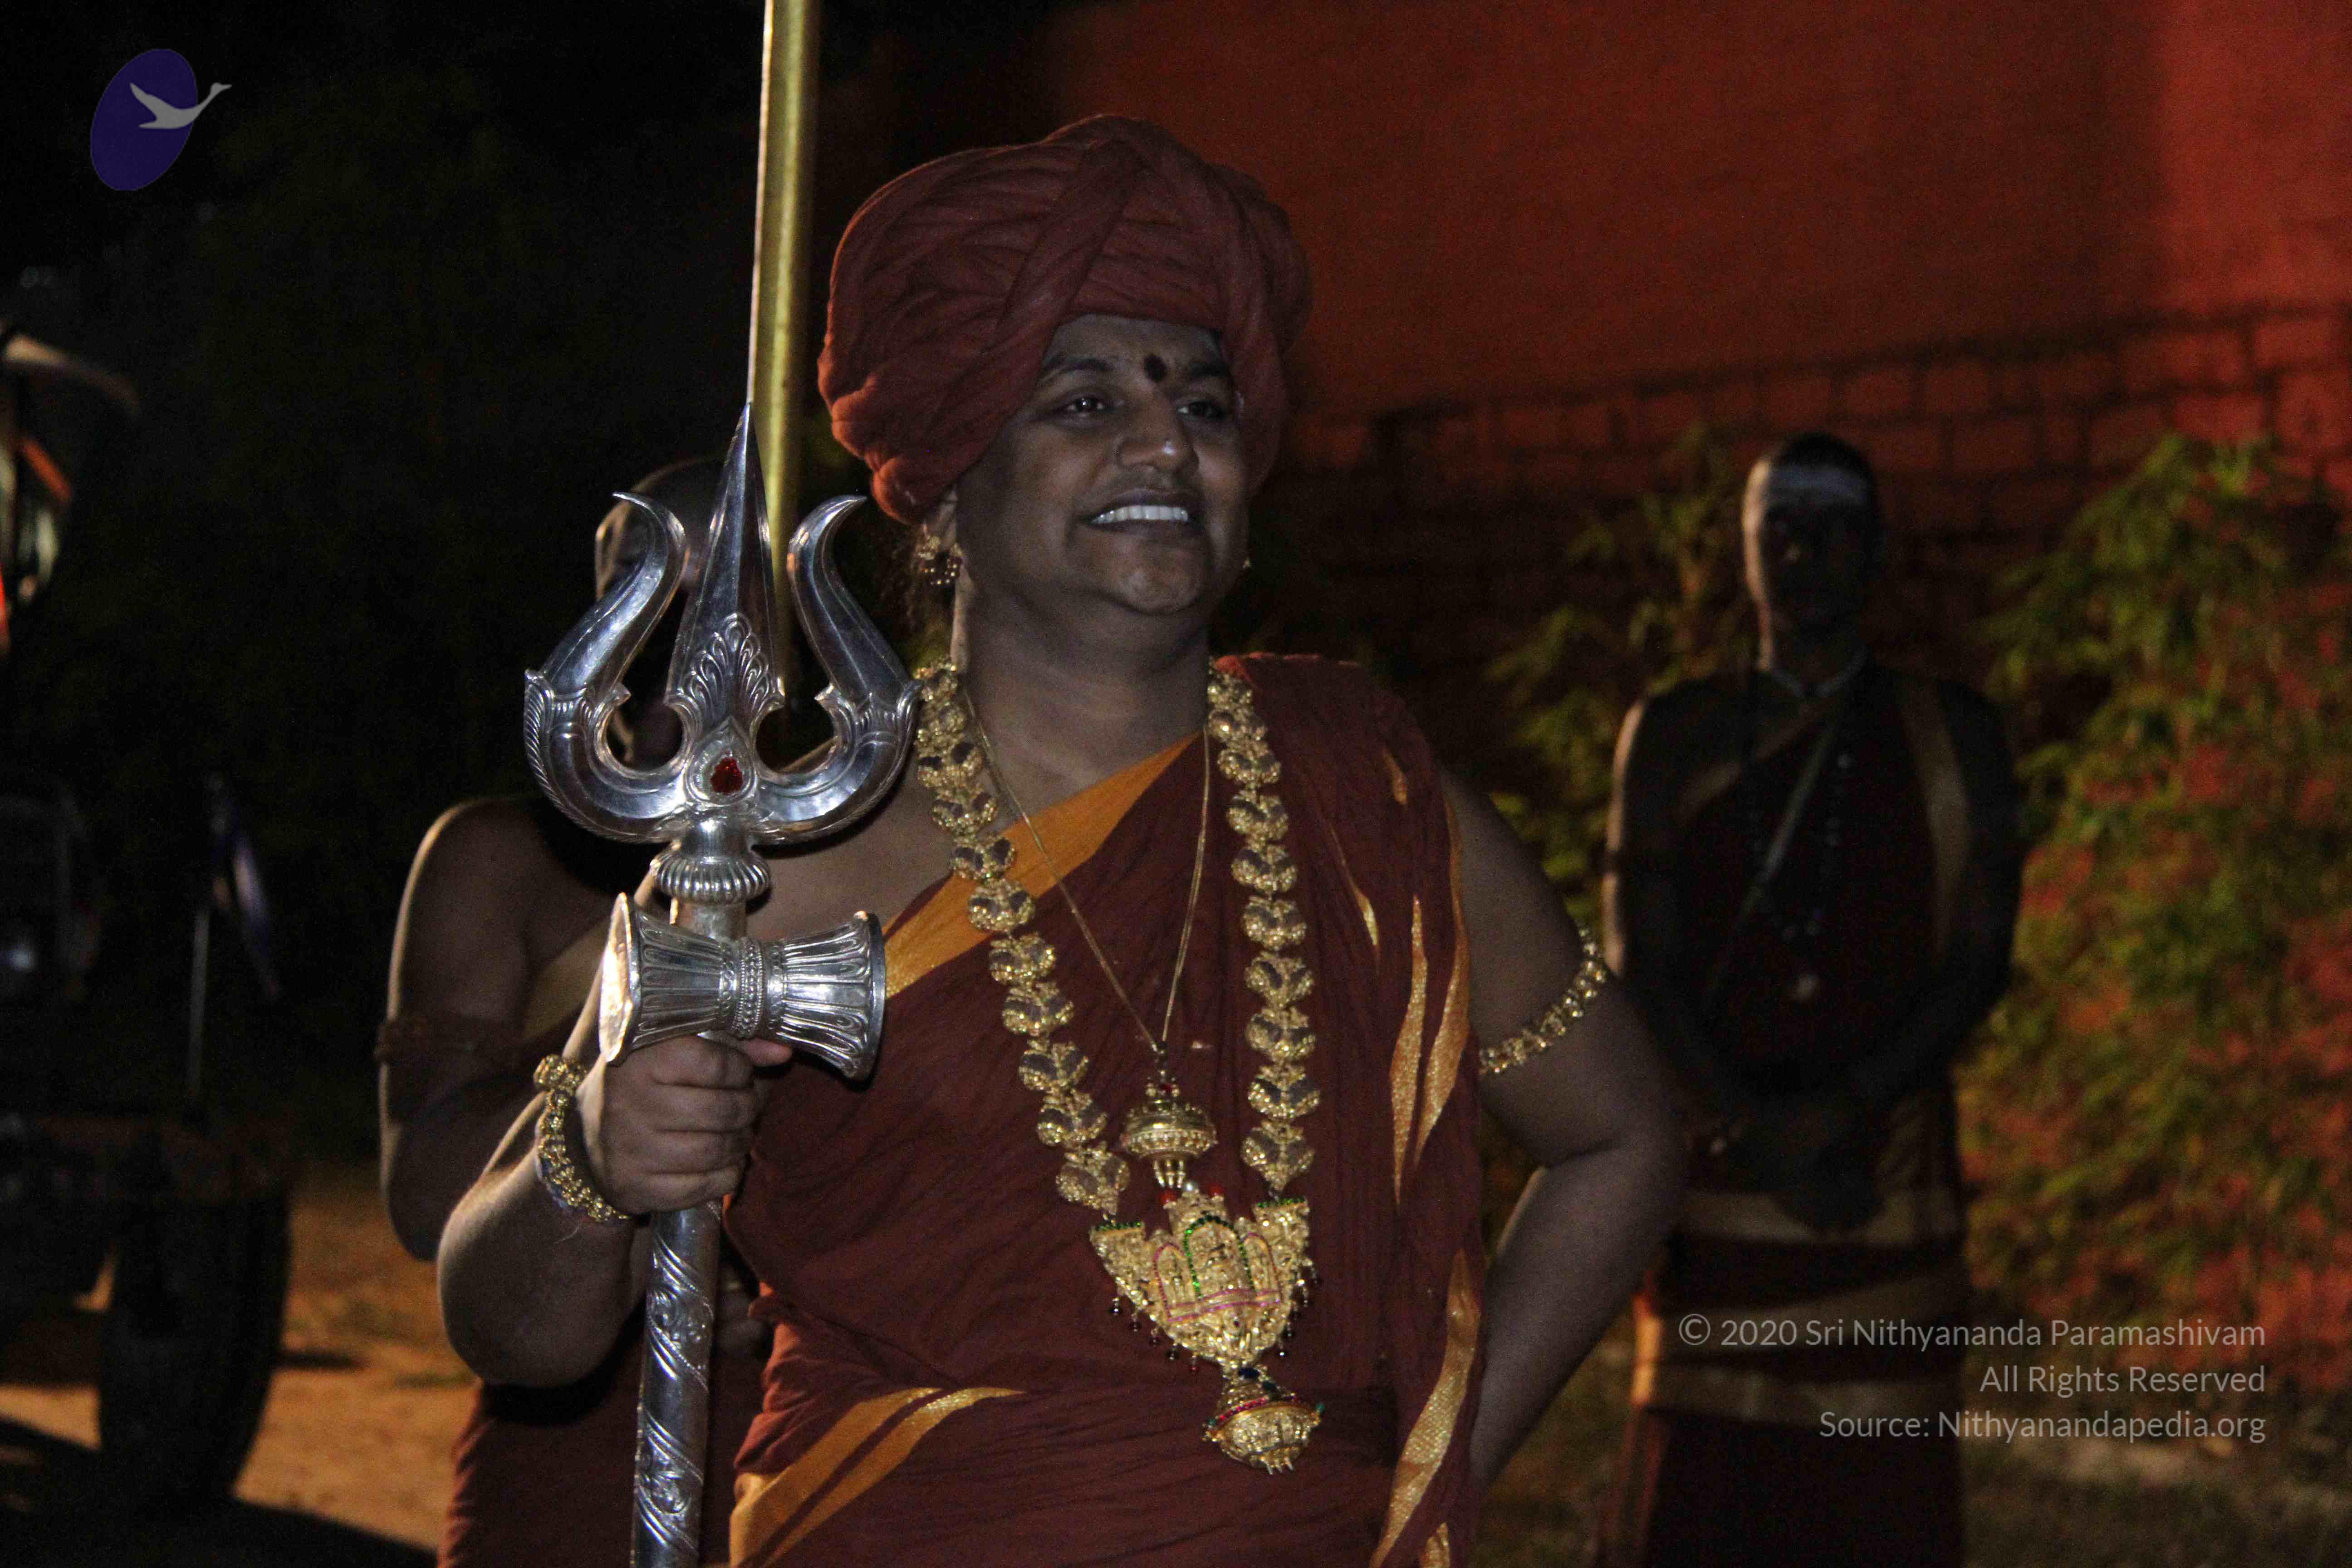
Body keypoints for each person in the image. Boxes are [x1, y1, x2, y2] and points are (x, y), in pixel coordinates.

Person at [436, 116, 1684, 1566]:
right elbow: (507, 1325)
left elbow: (1624, 1137)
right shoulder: (781, 856)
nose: (1165, 443)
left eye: (1205, 405)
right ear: (945, 491)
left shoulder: (1374, 801)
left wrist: (1430, 1467)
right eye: (1084, 404)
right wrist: (599, 1152)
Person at [1597, 433, 2023, 1567]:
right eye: (1778, 528)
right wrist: (1755, 1129)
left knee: (1873, 1498)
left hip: (1882, 1182)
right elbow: (1642, 961)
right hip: (1720, 1189)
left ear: (1876, 551)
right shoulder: (1672, 733)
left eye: (1833, 529)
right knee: (1700, 1498)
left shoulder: (1956, 736)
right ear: (1745, 552)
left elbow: (1979, 962)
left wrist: (1842, 1111)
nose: (1803, 552)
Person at [380, 457, 774, 1568]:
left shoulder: (878, 860)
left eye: (728, 618)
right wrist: (625, 1031)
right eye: (649, 624)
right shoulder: (499, 861)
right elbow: (427, 1199)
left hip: (807, 1433)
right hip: (576, 1425)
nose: (682, 673)